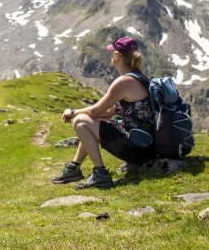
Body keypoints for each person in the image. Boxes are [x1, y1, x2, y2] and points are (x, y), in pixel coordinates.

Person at [51, 36, 157, 189]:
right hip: (145, 146)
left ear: (118, 56)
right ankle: (74, 167)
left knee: (80, 121)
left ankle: (100, 173)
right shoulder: (139, 78)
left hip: (138, 149)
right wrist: (89, 115)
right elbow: (107, 112)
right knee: (87, 121)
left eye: (112, 52)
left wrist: (72, 112)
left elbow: (96, 110)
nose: (111, 56)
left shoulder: (124, 82)